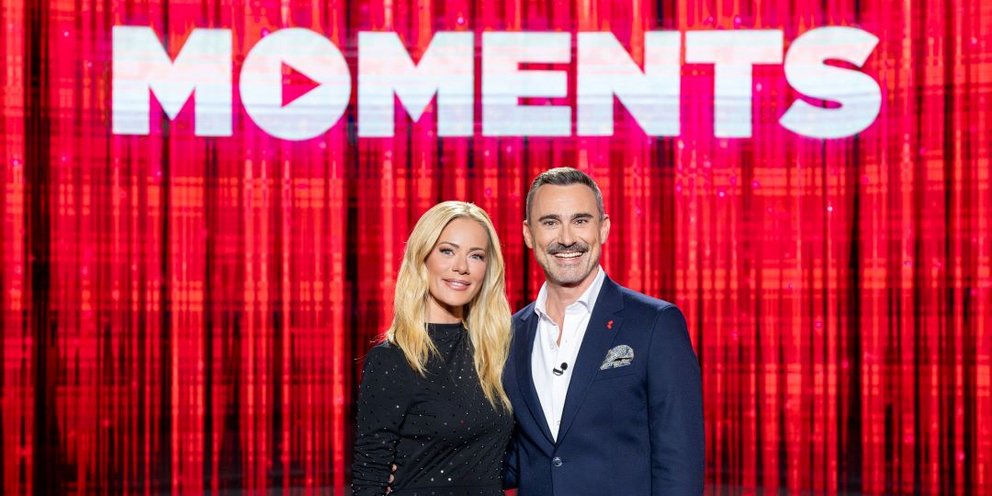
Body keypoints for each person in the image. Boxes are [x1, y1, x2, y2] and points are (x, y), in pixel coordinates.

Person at [503, 167, 704, 495]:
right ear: (528, 233)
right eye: (550, 222)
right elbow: (515, 457)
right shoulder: (509, 335)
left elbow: (679, 461)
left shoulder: (654, 324)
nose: (566, 238)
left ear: (604, 227)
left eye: (580, 220)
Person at [352, 201, 514, 496]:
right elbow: (370, 475)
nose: (462, 267)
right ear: (422, 257)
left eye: (476, 256)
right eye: (447, 251)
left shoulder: (497, 350)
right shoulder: (392, 359)